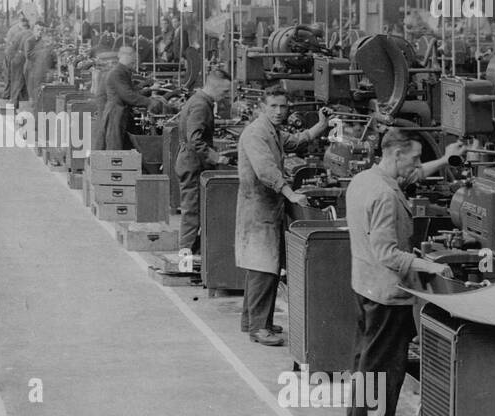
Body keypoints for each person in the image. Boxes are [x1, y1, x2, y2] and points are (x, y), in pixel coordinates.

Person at [343, 129, 463, 416]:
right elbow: (386, 253)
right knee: (384, 363)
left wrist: (445, 159)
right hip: (386, 291)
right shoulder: (384, 195)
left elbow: (412, 177)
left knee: (366, 359)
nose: (417, 164)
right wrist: (430, 265)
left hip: (364, 284)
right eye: (414, 157)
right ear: (396, 154)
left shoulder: (366, 180)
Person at [235, 87, 333, 346]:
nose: (279, 112)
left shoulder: (272, 130)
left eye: (283, 107)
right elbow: (266, 170)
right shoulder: (257, 133)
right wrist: (290, 194)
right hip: (258, 207)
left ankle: (253, 321)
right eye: (273, 107)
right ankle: (258, 328)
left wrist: (321, 125)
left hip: (266, 205)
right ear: (262, 107)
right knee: (263, 268)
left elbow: (296, 141)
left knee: (264, 266)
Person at [175, 68, 232, 255]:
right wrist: (217, 157)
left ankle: (193, 257)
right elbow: (195, 139)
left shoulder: (199, 100)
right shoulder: (201, 105)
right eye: (224, 92)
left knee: (194, 211)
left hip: (190, 161)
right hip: (193, 163)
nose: (226, 96)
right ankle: (185, 262)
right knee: (192, 213)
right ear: (214, 87)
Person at [94, 44, 167, 152]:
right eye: (134, 61)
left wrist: (148, 89)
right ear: (127, 57)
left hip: (120, 111)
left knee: (118, 142)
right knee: (114, 144)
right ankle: (113, 166)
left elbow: (132, 91)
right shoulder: (117, 73)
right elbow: (128, 95)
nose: (136, 63)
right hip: (116, 113)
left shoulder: (122, 72)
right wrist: (149, 102)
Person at [25, 22, 57, 109]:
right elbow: (29, 55)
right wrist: (44, 51)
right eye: (38, 30)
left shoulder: (43, 41)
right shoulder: (29, 41)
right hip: (32, 70)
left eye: (42, 30)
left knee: (41, 91)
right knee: (34, 92)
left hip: (41, 70)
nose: (40, 32)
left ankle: (39, 109)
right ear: (33, 31)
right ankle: (35, 111)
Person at [4, 19, 31, 105]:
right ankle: (16, 103)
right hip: (22, 60)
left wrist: (10, 60)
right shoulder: (30, 34)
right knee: (20, 82)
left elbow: (10, 49)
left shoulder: (18, 34)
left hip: (16, 59)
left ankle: (13, 102)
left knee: (15, 81)